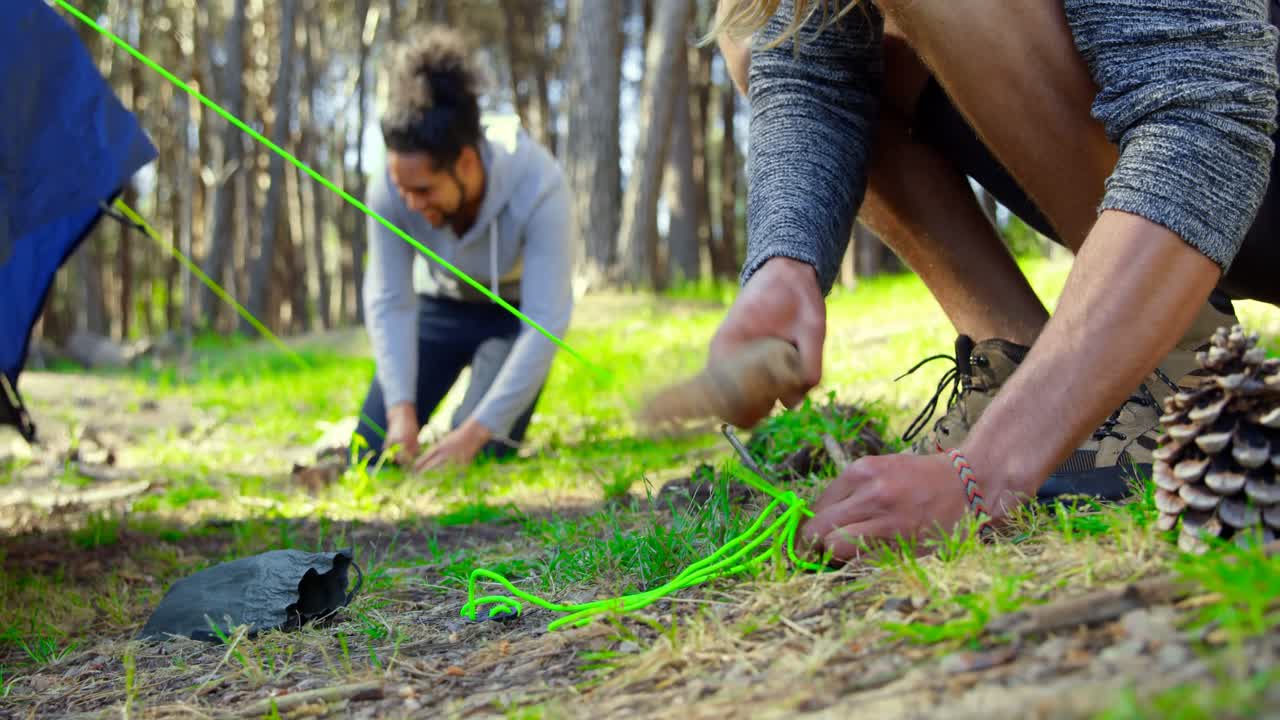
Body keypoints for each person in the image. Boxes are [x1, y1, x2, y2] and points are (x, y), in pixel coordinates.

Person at [707, 0, 1280, 560]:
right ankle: (1020, 367)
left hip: (1238, 141)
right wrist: (786, 262)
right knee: (766, 29)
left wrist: (985, 475)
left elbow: (1211, 117)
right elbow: (815, 74)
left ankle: (1169, 364)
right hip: (1206, 152)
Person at [352, 27, 575, 472]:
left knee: (482, 455)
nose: (411, 204)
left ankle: (467, 433)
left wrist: (475, 432)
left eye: (424, 190)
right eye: (403, 189)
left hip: (511, 317)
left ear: (467, 164)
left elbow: (545, 322)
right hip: (441, 307)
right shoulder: (391, 187)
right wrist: (400, 409)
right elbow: (391, 300)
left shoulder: (540, 184)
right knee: (370, 451)